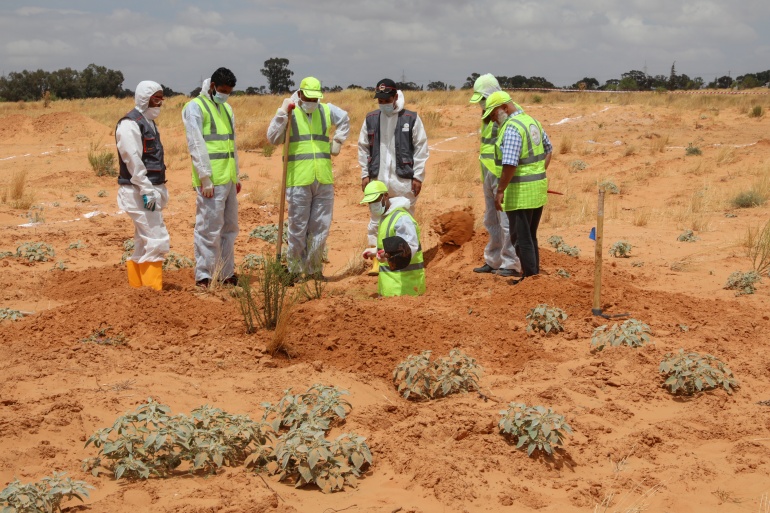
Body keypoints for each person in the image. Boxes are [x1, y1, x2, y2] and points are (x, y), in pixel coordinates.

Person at [266, 76, 350, 280]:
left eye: (315, 99)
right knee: (298, 228)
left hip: (323, 178)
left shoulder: (326, 109)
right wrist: (281, 114)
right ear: (300, 94)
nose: (312, 103)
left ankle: (313, 270)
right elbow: (272, 138)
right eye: (309, 98)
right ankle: (294, 270)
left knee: (320, 227)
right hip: (298, 179)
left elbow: (345, 119)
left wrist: (338, 140)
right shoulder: (290, 111)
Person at [357, 78, 429, 275]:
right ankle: (377, 261)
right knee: (376, 218)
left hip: (404, 180)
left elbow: (421, 149)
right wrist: (365, 173)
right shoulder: (371, 118)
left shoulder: (411, 119)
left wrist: (418, 176)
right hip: (378, 179)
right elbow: (363, 147)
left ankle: (405, 259)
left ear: (395, 97)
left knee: (403, 218)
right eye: (379, 101)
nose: (383, 104)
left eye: (386, 100)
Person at [485, 91, 552, 283]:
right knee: (530, 236)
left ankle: (530, 279)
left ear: (504, 108)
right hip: (536, 190)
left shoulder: (512, 128)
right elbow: (549, 150)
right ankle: (534, 276)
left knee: (521, 239)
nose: (493, 119)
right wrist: (538, 174)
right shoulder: (531, 122)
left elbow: (510, 163)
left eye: (493, 114)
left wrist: (500, 190)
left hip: (521, 193)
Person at [182, 67, 241, 289]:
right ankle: (205, 275)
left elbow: (231, 144)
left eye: (230, 92)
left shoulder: (227, 109)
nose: (226, 94)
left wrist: (236, 175)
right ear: (213, 86)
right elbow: (196, 144)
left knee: (229, 229)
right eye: (223, 90)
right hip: (211, 182)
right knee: (208, 228)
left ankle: (226, 273)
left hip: (227, 179)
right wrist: (205, 177)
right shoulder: (195, 108)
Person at [116, 80, 169, 291]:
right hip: (137, 191)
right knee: (157, 238)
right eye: (155, 99)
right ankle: (151, 294)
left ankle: (137, 292)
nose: (159, 103)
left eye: (161, 99)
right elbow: (133, 160)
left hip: (146, 189)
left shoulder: (148, 123)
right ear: (144, 98)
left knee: (142, 240)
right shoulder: (130, 124)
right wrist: (147, 189)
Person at [468, 74, 521, 277]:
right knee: (491, 220)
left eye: (483, 98)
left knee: (507, 221)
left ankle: (511, 263)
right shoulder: (487, 114)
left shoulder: (510, 113)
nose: (481, 104)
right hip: (489, 174)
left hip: (504, 176)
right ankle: (494, 260)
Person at [360, 180, 425, 297]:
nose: (372, 205)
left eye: (375, 200)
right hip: (391, 290)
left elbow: (408, 249)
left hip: (406, 290)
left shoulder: (402, 218)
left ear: (385, 196)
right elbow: (394, 244)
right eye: (370, 202)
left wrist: (386, 255)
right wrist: (376, 251)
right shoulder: (385, 218)